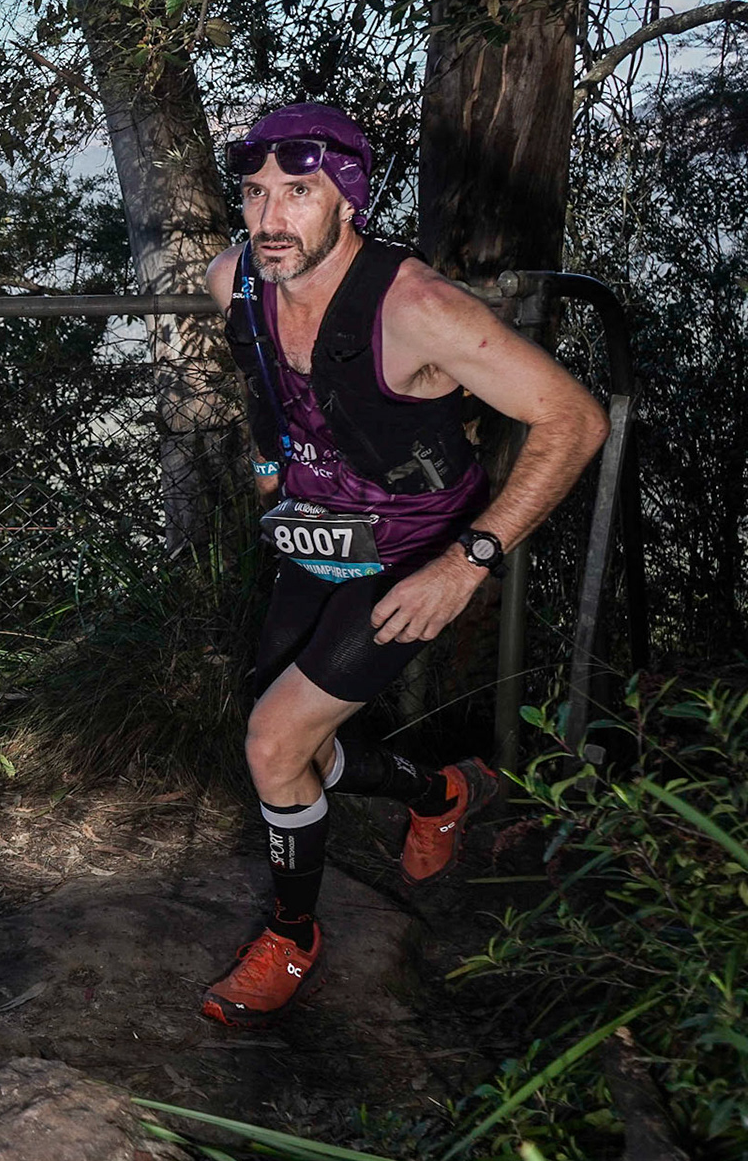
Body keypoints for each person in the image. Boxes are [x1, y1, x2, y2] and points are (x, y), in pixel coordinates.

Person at [198, 103, 609, 1027]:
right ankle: (441, 790)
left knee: (273, 742)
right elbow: (260, 377)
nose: (269, 218)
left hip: (415, 548)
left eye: (297, 194)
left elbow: (575, 419)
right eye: (257, 192)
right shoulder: (233, 280)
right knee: (294, 743)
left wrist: (467, 563)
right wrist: (271, 470)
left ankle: (293, 940)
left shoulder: (418, 309)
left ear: (347, 198)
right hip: (314, 534)